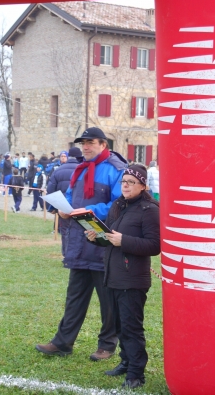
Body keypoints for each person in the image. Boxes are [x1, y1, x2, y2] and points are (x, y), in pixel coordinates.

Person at [35, 127, 127, 360]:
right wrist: (64, 209)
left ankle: (107, 345)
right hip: (78, 243)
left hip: (101, 243)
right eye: (83, 143)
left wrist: (90, 210)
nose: (86, 146)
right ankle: (63, 342)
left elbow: (119, 204)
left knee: (107, 299)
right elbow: (73, 199)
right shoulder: (79, 168)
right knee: (74, 296)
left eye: (91, 142)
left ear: (103, 144)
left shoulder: (116, 170)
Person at [86, 164, 160, 389]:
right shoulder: (118, 205)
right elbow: (110, 236)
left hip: (133, 278)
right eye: (123, 181)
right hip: (113, 274)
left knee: (131, 327)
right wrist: (96, 236)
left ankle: (136, 374)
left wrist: (124, 241)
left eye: (131, 182)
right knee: (118, 325)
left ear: (143, 185)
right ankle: (126, 362)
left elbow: (155, 245)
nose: (125, 186)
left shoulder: (150, 209)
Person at [46, 147, 83, 255]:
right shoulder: (84, 170)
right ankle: (77, 254)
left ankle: (66, 254)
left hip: (63, 206)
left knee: (65, 231)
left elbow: (50, 190)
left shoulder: (58, 170)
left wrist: (52, 207)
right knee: (80, 231)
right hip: (79, 205)